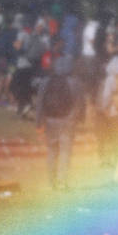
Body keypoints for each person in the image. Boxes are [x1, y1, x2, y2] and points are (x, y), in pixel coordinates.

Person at [35, 52, 83, 190]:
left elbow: (40, 103)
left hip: (50, 121)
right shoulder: (75, 82)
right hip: (67, 121)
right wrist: (76, 119)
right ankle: (62, 182)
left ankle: (52, 182)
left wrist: (39, 123)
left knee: (51, 151)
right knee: (65, 152)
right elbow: (79, 103)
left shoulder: (46, 81)